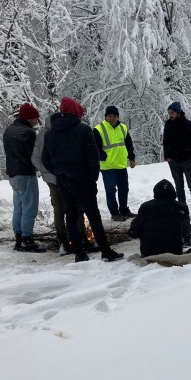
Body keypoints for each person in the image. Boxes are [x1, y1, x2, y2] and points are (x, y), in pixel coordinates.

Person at [42, 97, 124, 262]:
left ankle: (79, 254)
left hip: (63, 181)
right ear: (75, 112)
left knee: (70, 216)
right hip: (83, 181)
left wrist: (59, 172)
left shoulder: (50, 133)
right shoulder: (83, 130)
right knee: (93, 216)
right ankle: (106, 251)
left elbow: (45, 160)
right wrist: (92, 178)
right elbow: (93, 158)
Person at [31, 113, 95, 255]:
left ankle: (63, 241)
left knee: (58, 209)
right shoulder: (64, 132)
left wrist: (46, 171)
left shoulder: (42, 134)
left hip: (51, 178)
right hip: (66, 176)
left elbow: (35, 157)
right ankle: (81, 236)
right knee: (76, 207)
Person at [2, 103, 46, 252]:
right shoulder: (28, 133)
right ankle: (28, 240)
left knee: (19, 207)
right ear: (29, 118)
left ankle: (19, 239)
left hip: (13, 175)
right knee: (29, 208)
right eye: (35, 119)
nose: (36, 122)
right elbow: (34, 155)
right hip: (26, 174)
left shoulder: (9, 130)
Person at [128, 179, 191, 258]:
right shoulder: (182, 207)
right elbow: (187, 232)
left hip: (149, 252)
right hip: (175, 252)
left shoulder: (146, 207)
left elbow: (134, 232)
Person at [93, 105, 136, 221]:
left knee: (124, 189)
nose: (112, 118)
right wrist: (102, 156)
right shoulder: (99, 129)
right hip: (107, 167)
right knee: (111, 191)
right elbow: (94, 147)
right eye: (109, 116)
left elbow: (129, 144)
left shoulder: (123, 128)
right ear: (106, 117)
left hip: (121, 165)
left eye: (114, 116)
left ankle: (124, 210)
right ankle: (115, 213)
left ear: (117, 117)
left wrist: (132, 158)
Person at [163, 101, 191, 220]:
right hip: (174, 161)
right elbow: (165, 142)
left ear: (178, 112)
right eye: (169, 113)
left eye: (172, 113)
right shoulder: (168, 124)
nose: (170, 115)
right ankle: (182, 210)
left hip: (187, 161)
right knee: (179, 187)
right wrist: (167, 157)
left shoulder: (189, 125)